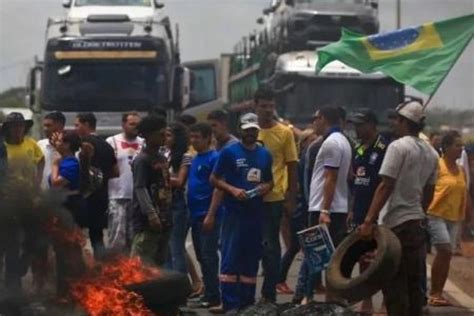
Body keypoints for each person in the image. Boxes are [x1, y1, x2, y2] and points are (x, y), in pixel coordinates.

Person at [359, 101, 439, 316]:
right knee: (414, 284)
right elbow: (429, 192)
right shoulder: (432, 152)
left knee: (394, 285)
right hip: (416, 224)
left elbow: (386, 185)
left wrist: (368, 221)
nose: (393, 124)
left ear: (404, 122)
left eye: (396, 119)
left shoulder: (397, 146)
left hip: (395, 225)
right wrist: (418, 212)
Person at [210, 113, 273, 312]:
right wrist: (233, 190)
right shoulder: (229, 152)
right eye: (247, 130)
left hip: (255, 214)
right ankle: (230, 304)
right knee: (230, 258)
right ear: (240, 130)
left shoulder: (265, 154)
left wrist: (266, 187)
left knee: (251, 258)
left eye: (254, 130)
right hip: (233, 213)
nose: (250, 134)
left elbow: (270, 181)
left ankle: (247, 304)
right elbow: (214, 179)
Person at [254, 87, 298, 303]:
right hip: (250, 199)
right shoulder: (250, 132)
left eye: (271, 106)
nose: (268, 110)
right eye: (263, 106)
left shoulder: (285, 133)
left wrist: (291, 199)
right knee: (252, 246)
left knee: (271, 247)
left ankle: (268, 294)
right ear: (256, 107)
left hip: (274, 199)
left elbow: (292, 166)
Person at [306, 106, 352, 301]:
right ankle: (331, 303)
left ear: (323, 118)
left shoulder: (331, 143)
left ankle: (309, 299)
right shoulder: (344, 141)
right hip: (337, 207)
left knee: (317, 257)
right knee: (332, 260)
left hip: (324, 208)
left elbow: (330, 177)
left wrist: (324, 210)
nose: (313, 122)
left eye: (315, 118)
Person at [346, 109, 389, 312]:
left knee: (383, 259)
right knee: (364, 258)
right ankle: (367, 300)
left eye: (360, 124)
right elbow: (356, 181)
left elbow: (386, 183)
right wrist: (352, 209)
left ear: (372, 125)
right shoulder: (358, 147)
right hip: (361, 208)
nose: (356, 128)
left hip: (380, 209)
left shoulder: (384, 147)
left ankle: (387, 302)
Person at [427, 131, 470, 306]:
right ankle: (433, 292)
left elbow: (465, 193)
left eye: (462, 145)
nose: (461, 149)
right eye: (457, 145)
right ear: (446, 147)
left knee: (447, 255)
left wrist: (468, 215)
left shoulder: (460, 170)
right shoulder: (437, 166)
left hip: (454, 217)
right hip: (436, 214)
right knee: (444, 250)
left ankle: (438, 292)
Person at [2, 112, 44, 290]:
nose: (17, 129)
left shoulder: (31, 144)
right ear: (8, 129)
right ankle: (13, 287)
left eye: (20, 126)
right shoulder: (2, 147)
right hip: (8, 200)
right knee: (11, 244)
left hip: (29, 198)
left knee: (33, 239)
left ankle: (22, 266)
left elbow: (41, 160)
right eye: (14, 126)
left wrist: (37, 182)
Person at [277, 129, 318, 295]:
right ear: (304, 142)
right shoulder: (301, 162)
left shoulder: (310, 160)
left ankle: (314, 283)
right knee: (297, 246)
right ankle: (281, 280)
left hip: (303, 208)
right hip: (300, 209)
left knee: (304, 245)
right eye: (312, 140)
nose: (315, 143)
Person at [75, 113, 119, 260]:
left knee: (75, 236)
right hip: (101, 197)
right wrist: (102, 178)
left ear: (86, 125)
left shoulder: (83, 144)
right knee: (97, 237)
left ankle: (80, 272)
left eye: (77, 125)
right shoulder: (107, 145)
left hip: (83, 198)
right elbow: (115, 172)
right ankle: (101, 270)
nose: (76, 128)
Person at [188, 123, 222, 308]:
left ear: (208, 137)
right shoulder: (195, 159)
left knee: (209, 256)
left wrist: (211, 214)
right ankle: (209, 292)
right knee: (202, 256)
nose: (193, 141)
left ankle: (214, 296)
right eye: (191, 137)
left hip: (208, 215)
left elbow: (218, 188)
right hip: (195, 215)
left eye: (197, 137)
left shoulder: (214, 158)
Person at [131, 115, 172, 266]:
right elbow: (140, 188)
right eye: (160, 134)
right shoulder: (142, 160)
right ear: (148, 136)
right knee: (140, 265)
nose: (164, 138)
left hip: (165, 219)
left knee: (158, 264)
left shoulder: (162, 158)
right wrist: (151, 214)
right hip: (147, 222)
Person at [48, 130, 86, 295]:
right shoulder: (65, 160)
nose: (56, 144)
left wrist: (55, 165)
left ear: (68, 145)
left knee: (67, 250)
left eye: (60, 141)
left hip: (69, 211)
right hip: (61, 210)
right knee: (61, 251)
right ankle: (65, 289)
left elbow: (57, 183)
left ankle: (71, 290)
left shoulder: (70, 164)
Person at [106, 112, 143, 253]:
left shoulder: (143, 143)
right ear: (123, 124)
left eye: (137, 125)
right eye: (132, 124)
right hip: (117, 196)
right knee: (116, 238)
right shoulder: (111, 142)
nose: (135, 127)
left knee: (135, 239)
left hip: (137, 198)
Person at [164, 123, 193, 273]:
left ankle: (180, 283)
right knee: (166, 248)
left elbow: (180, 181)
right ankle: (168, 281)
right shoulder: (165, 154)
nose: (165, 139)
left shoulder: (185, 157)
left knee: (176, 247)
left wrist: (161, 175)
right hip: (165, 204)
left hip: (179, 204)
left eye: (169, 136)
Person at [38, 111, 66, 190]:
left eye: (49, 126)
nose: (45, 129)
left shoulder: (69, 147)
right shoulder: (40, 145)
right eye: (44, 126)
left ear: (60, 126)